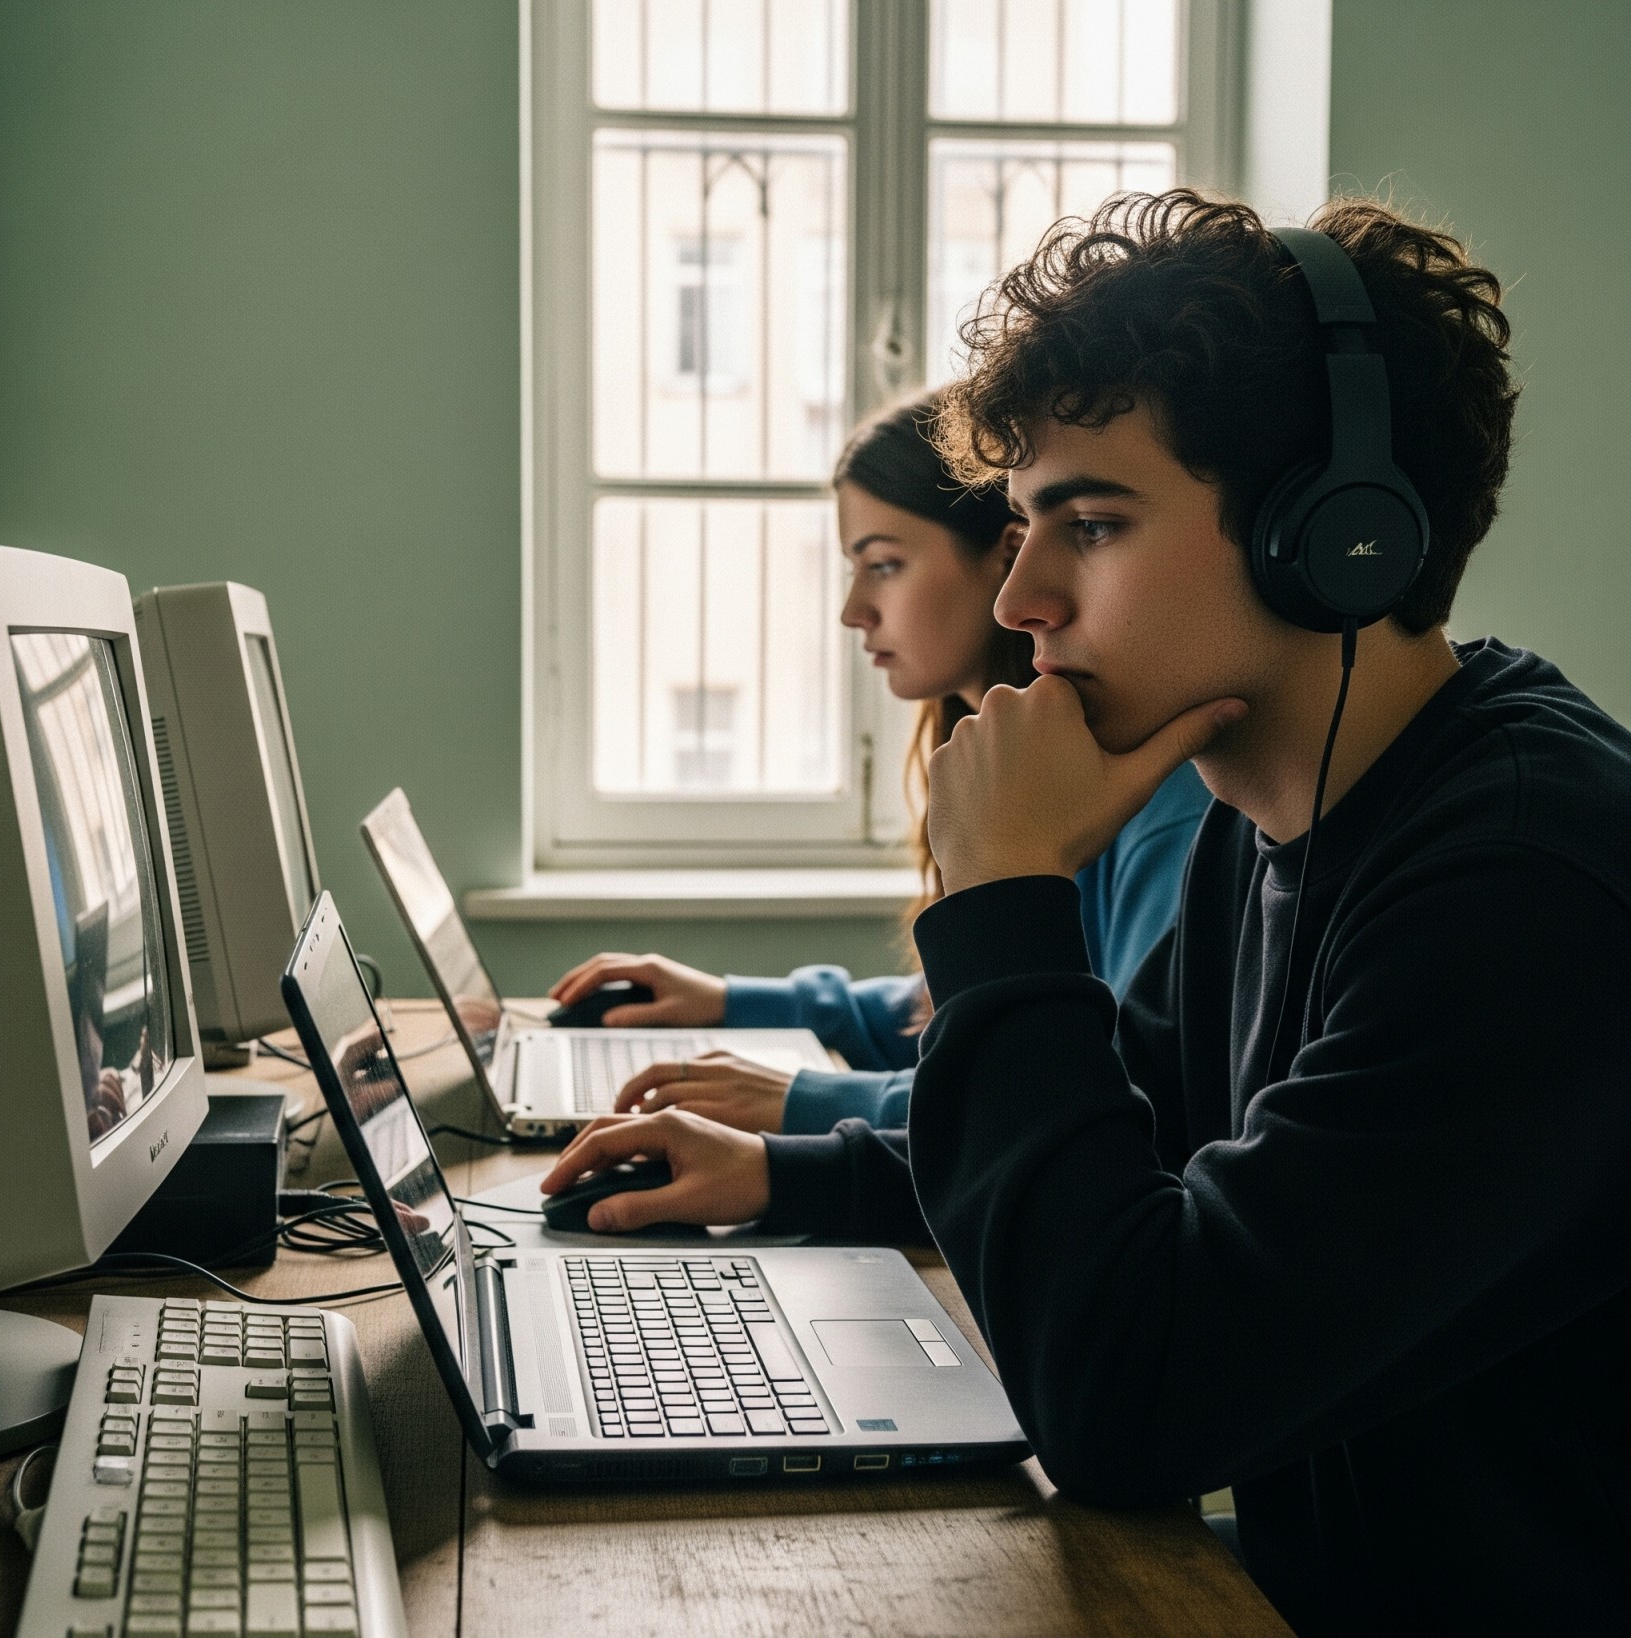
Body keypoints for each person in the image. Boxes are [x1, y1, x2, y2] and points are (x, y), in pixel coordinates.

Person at [543, 191, 1631, 1633]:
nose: (1029, 596)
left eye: (1091, 524)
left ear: (1335, 535)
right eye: (1017, 529)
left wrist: (1006, 896)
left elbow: (1127, 1404)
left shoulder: (1520, 882)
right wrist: (794, 1175)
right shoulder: (1266, 815)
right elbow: (1135, 1130)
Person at [549, 392, 1208, 1136]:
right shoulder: (1005, 760)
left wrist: (806, 1102)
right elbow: (957, 1012)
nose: (853, 609)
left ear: (1005, 552)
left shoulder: (1166, 808)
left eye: (885, 564)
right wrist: (735, 1002)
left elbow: (1093, 1094)